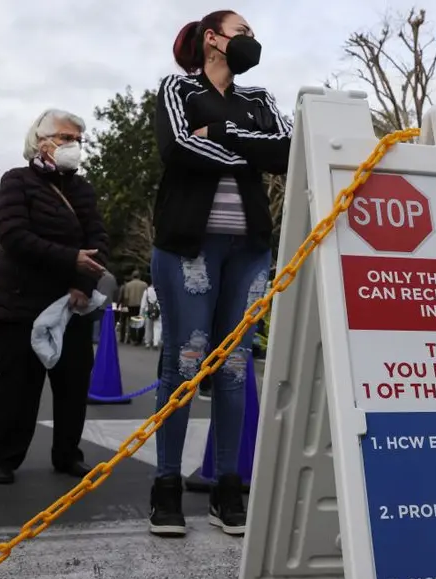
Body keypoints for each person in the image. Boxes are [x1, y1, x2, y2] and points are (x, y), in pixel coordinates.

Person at [148, 10, 290, 538]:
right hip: (188, 244)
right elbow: (178, 146)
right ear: (212, 39)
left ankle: (228, 487)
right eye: (242, 33)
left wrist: (225, 129)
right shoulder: (177, 89)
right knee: (185, 361)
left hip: (249, 247)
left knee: (234, 367)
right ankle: (165, 488)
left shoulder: (261, 100)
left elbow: (287, 152)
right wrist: (247, 149)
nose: (251, 41)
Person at [0, 109, 110, 485]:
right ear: (42, 141)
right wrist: (71, 258)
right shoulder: (17, 181)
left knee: (73, 384)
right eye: (67, 138)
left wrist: (81, 284)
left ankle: (68, 453)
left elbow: (99, 239)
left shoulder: (83, 189)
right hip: (20, 301)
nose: (74, 146)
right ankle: (3, 458)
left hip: (71, 303)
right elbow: (13, 235)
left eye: (78, 140)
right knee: (18, 385)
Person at [118, 270, 148, 344]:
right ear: (139, 276)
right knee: (141, 322)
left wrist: (125, 307)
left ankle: (133, 338)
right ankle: (139, 338)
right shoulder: (144, 284)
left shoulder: (128, 285)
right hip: (141, 305)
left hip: (131, 305)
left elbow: (126, 297)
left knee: (132, 323)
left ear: (132, 276)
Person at [140, 284, 163, 348]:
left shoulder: (147, 291)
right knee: (157, 327)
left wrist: (141, 313)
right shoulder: (161, 290)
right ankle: (155, 342)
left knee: (148, 327)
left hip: (148, 311)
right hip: (158, 311)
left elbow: (143, 303)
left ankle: (147, 342)